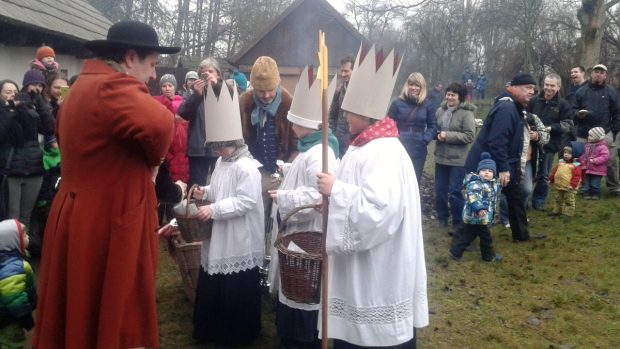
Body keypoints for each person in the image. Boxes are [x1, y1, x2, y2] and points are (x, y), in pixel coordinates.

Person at [33, 20, 178, 349]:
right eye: (152, 64)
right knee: (116, 315)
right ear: (129, 58)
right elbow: (161, 124)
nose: (154, 76)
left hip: (80, 215)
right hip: (105, 223)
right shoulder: (112, 87)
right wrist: (154, 163)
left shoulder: (84, 85)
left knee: (79, 313)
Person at [316, 46, 428, 348]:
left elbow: (380, 212)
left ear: (366, 114)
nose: (344, 116)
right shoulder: (364, 145)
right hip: (362, 272)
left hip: (378, 274)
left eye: (349, 112)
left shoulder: (385, 152)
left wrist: (337, 191)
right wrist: (332, 196)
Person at [266, 66, 339, 349]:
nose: (292, 128)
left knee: (304, 291)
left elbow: (318, 196)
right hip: (297, 236)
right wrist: (288, 170)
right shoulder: (310, 149)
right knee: (293, 290)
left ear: (308, 125)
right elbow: (307, 178)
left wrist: (283, 198)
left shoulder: (322, 151)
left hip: (307, 234)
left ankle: (302, 339)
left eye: (295, 123)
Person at [191, 82, 264, 347]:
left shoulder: (248, 168)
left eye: (220, 146)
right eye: (214, 147)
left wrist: (214, 209)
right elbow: (221, 188)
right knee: (214, 279)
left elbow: (245, 201)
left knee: (235, 285)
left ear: (232, 142)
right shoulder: (223, 162)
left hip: (238, 236)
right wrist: (206, 193)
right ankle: (211, 328)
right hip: (220, 232)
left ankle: (237, 332)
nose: (216, 152)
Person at [465, 73, 545, 243]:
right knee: (480, 198)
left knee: (515, 198)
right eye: (527, 88)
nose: (532, 92)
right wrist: (503, 168)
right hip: (488, 164)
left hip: (505, 162)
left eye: (533, 89)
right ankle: (463, 241)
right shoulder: (506, 108)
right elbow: (496, 141)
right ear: (513, 88)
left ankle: (521, 235)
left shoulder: (513, 106)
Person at [240, 56, 296, 242]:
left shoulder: (289, 102)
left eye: (270, 90)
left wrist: (288, 168)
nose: (265, 96)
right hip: (255, 172)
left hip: (283, 172)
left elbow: (297, 142)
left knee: (282, 224)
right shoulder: (245, 102)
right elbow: (239, 138)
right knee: (256, 221)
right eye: (261, 91)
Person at [1, 70, 55, 229]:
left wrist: (38, 102)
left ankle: (23, 250)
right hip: (11, 171)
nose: (12, 95)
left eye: (14, 92)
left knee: (26, 217)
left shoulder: (29, 109)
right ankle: (11, 251)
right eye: (7, 92)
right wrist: (12, 111)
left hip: (33, 168)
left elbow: (49, 127)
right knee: (11, 218)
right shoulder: (4, 111)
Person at [434, 82, 476, 233]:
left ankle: (458, 222)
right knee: (439, 191)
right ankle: (442, 219)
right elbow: (435, 128)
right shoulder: (440, 111)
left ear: (460, 97)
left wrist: (447, 135)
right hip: (440, 157)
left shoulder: (467, 114)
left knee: (455, 192)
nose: (449, 97)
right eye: (448, 94)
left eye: (453, 95)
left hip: (458, 160)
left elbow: (470, 136)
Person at [527, 73, 573, 210]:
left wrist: (551, 128)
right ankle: (523, 201)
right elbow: (525, 116)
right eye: (546, 85)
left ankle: (539, 202)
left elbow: (568, 124)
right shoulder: (533, 100)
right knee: (528, 172)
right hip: (531, 143)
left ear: (558, 87)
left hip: (550, 144)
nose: (548, 88)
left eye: (552, 86)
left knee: (543, 174)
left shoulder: (563, 105)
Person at [572, 64, 620, 196]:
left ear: (605, 75)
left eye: (601, 72)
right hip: (584, 133)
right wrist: (578, 114)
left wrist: (615, 130)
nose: (598, 74)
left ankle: (614, 187)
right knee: (581, 161)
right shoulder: (581, 91)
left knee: (610, 161)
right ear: (591, 74)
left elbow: (617, 113)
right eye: (596, 72)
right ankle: (582, 186)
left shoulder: (611, 92)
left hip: (605, 132)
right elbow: (572, 110)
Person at [178, 58, 225, 186]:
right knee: (197, 188)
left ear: (218, 74)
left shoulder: (226, 91)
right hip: (198, 149)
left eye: (211, 71)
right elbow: (183, 113)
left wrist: (218, 87)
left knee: (220, 187)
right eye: (204, 73)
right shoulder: (195, 93)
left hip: (221, 149)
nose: (207, 75)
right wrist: (196, 96)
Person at [449, 152, 502, 262]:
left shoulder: (491, 184)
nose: (487, 173)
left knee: (468, 236)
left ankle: (455, 252)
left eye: (490, 171)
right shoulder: (475, 184)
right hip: (477, 216)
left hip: (479, 217)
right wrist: (479, 208)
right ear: (478, 172)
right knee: (485, 237)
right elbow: (474, 197)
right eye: (484, 170)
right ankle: (489, 257)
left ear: (494, 174)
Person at [387, 72, 437, 184]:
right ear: (407, 85)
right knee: (397, 181)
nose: (413, 88)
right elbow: (389, 125)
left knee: (413, 182)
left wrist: (424, 140)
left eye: (417, 85)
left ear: (421, 87)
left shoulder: (427, 105)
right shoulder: (396, 103)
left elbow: (433, 126)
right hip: (399, 147)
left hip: (418, 148)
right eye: (411, 84)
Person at [0, 219, 36, 349]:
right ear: (13, 241)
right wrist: (27, 319)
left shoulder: (7, 262)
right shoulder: (13, 267)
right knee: (12, 344)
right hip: (10, 321)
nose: (28, 237)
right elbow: (15, 298)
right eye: (24, 235)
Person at [548, 142, 583, 217]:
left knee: (568, 200)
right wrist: (551, 179)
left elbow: (577, 177)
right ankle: (556, 211)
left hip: (569, 187)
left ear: (574, 155)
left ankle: (567, 213)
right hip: (559, 185)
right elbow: (555, 172)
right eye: (565, 152)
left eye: (569, 153)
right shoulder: (561, 162)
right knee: (558, 199)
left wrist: (572, 185)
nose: (566, 154)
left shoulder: (575, 165)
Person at [329, 55, 354, 157]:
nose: (343, 74)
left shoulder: (362, 91)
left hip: (355, 139)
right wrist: (333, 134)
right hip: (339, 138)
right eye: (342, 71)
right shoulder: (339, 90)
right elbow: (333, 115)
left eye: (346, 71)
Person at [578, 127, 610, 200]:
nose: (588, 137)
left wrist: (595, 160)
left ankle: (596, 194)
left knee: (595, 183)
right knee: (586, 182)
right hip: (587, 168)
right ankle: (586, 193)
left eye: (591, 136)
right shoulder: (587, 145)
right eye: (589, 135)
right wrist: (581, 159)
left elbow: (605, 156)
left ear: (598, 138)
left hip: (597, 169)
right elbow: (585, 154)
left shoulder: (603, 147)